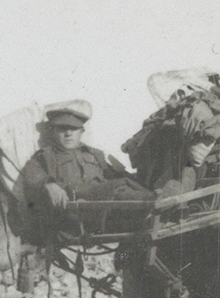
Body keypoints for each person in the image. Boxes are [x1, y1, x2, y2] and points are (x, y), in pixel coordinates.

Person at [17, 103, 152, 241]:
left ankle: (155, 203)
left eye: (73, 128)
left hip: (106, 206)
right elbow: (32, 175)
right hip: (79, 213)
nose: (68, 133)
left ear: (81, 131)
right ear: (53, 131)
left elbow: (119, 176)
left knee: (125, 184)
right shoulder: (45, 156)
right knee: (122, 190)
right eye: (62, 128)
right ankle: (153, 205)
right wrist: (49, 184)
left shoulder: (95, 154)